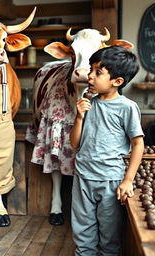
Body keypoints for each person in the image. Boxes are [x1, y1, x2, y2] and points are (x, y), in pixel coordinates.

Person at [69, 45, 144, 255]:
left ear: (117, 81)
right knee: (83, 236)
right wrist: (78, 116)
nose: (90, 76)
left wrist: (128, 180)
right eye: (91, 70)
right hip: (83, 177)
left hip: (111, 181)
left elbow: (138, 144)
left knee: (109, 239)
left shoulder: (127, 107)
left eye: (98, 72)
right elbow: (74, 144)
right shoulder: (87, 103)